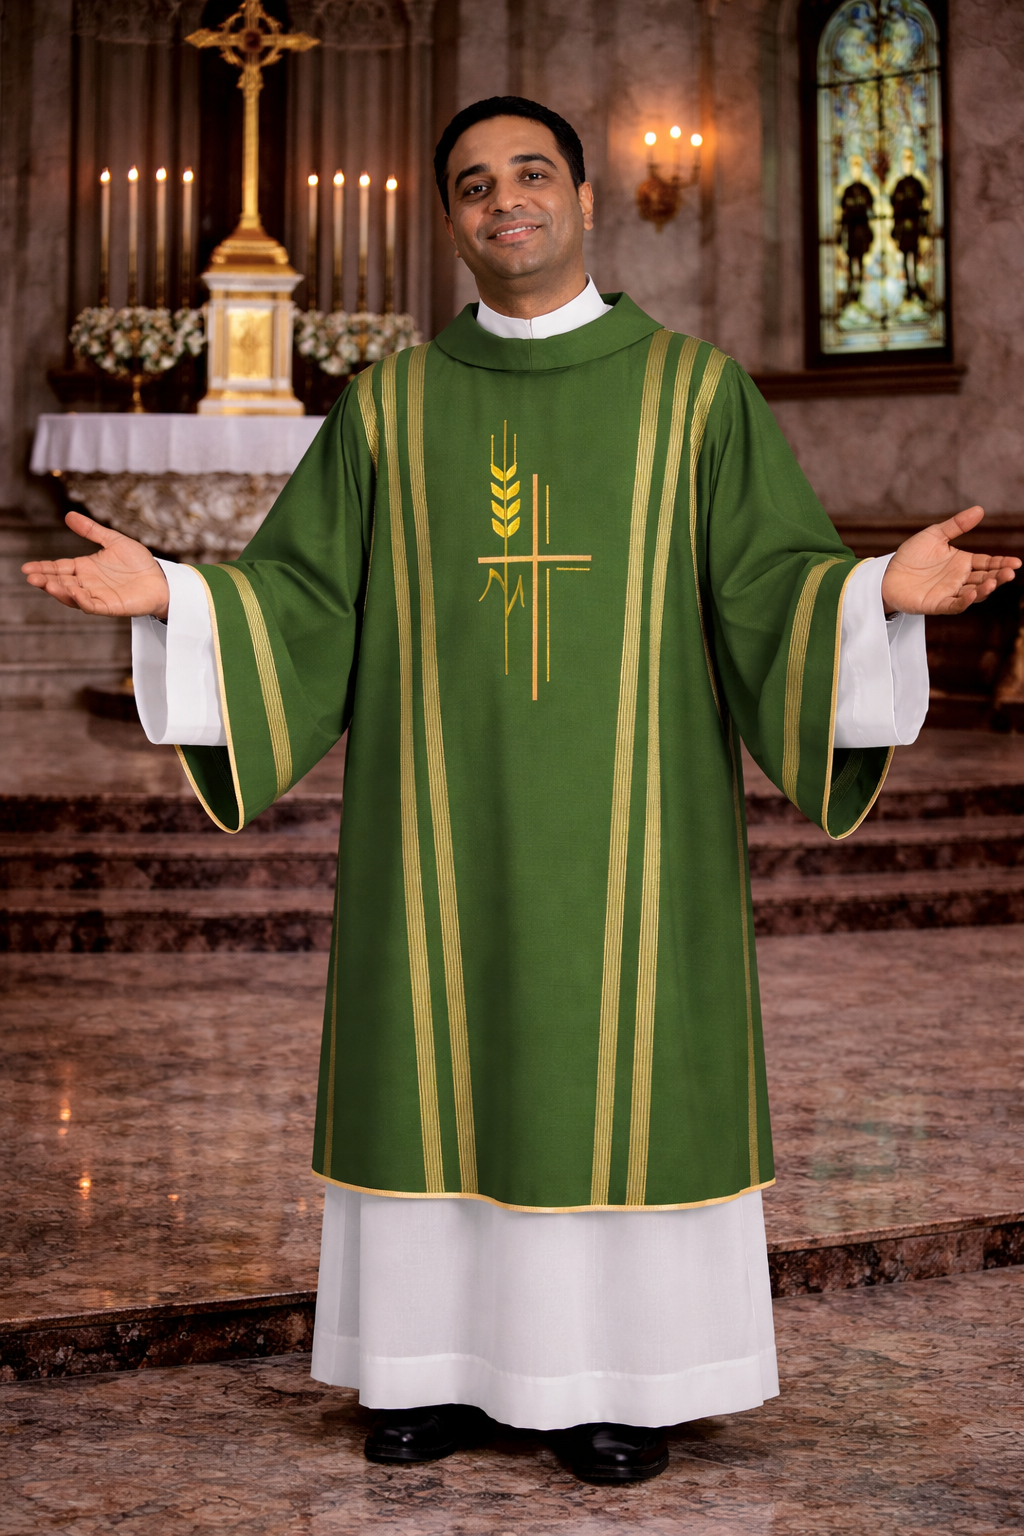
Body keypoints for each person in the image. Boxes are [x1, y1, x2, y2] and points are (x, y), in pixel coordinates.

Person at [23, 96, 1018, 1485]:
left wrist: (873, 596)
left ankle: (625, 1380)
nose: (505, 202)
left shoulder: (694, 393)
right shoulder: (391, 408)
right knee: (434, 1061)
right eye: (475, 185)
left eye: (530, 174)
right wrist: (179, 596)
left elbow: (769, 586)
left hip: (638, 837)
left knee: (612, 1057)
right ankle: (424, 1369)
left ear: (589, 198)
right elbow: (303, 601)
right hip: (435, 834)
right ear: (451, 221)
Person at [891, 147, 929, 302]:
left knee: (914, 256)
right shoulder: (898, 185)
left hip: (914, 228)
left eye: (910, 159)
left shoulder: (918, 184)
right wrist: (895, 228)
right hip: (903, 229)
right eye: (905, 159)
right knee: (905, 256)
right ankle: (908, 286)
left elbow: (922, 207)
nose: (908, 163)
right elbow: (894, 207)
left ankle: (915, 285)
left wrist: (924, 228)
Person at [839, 155, 874, 304]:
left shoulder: (866, 190)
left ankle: (859, 290)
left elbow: (872, 213)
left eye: (858, 167)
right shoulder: (847, 191)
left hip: (862, 233)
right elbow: (843, 214)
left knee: (860, 261)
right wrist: (840, 234)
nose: (856, 170)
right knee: (851, 262)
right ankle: (852, 290)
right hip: (851, 233)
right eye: (854, 167)